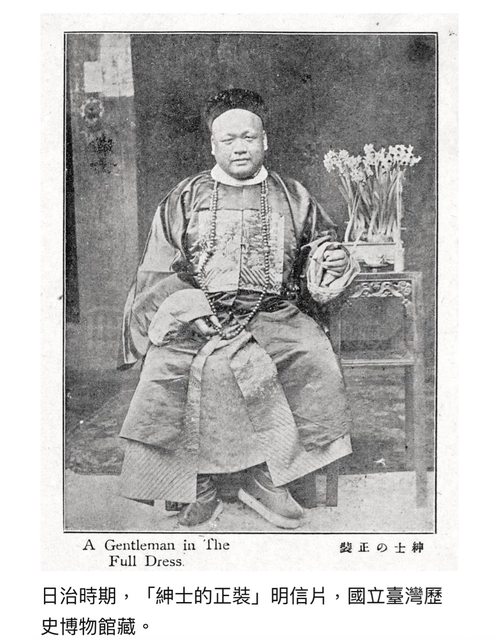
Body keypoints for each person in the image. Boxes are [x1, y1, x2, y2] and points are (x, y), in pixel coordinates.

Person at [117, 88, 358, 529]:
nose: (240, 147)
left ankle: (270, 478)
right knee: (169, 365)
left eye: (248, 137)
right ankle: (195, 485)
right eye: (228, 140)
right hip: (197, 311)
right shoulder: (185, 196)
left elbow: (319, 248)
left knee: (311, 355)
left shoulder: (294, 196)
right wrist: (186, 308)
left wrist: (331, 260)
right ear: (213, 146)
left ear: (265, 141)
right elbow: (158, 266)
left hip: (273, 311)